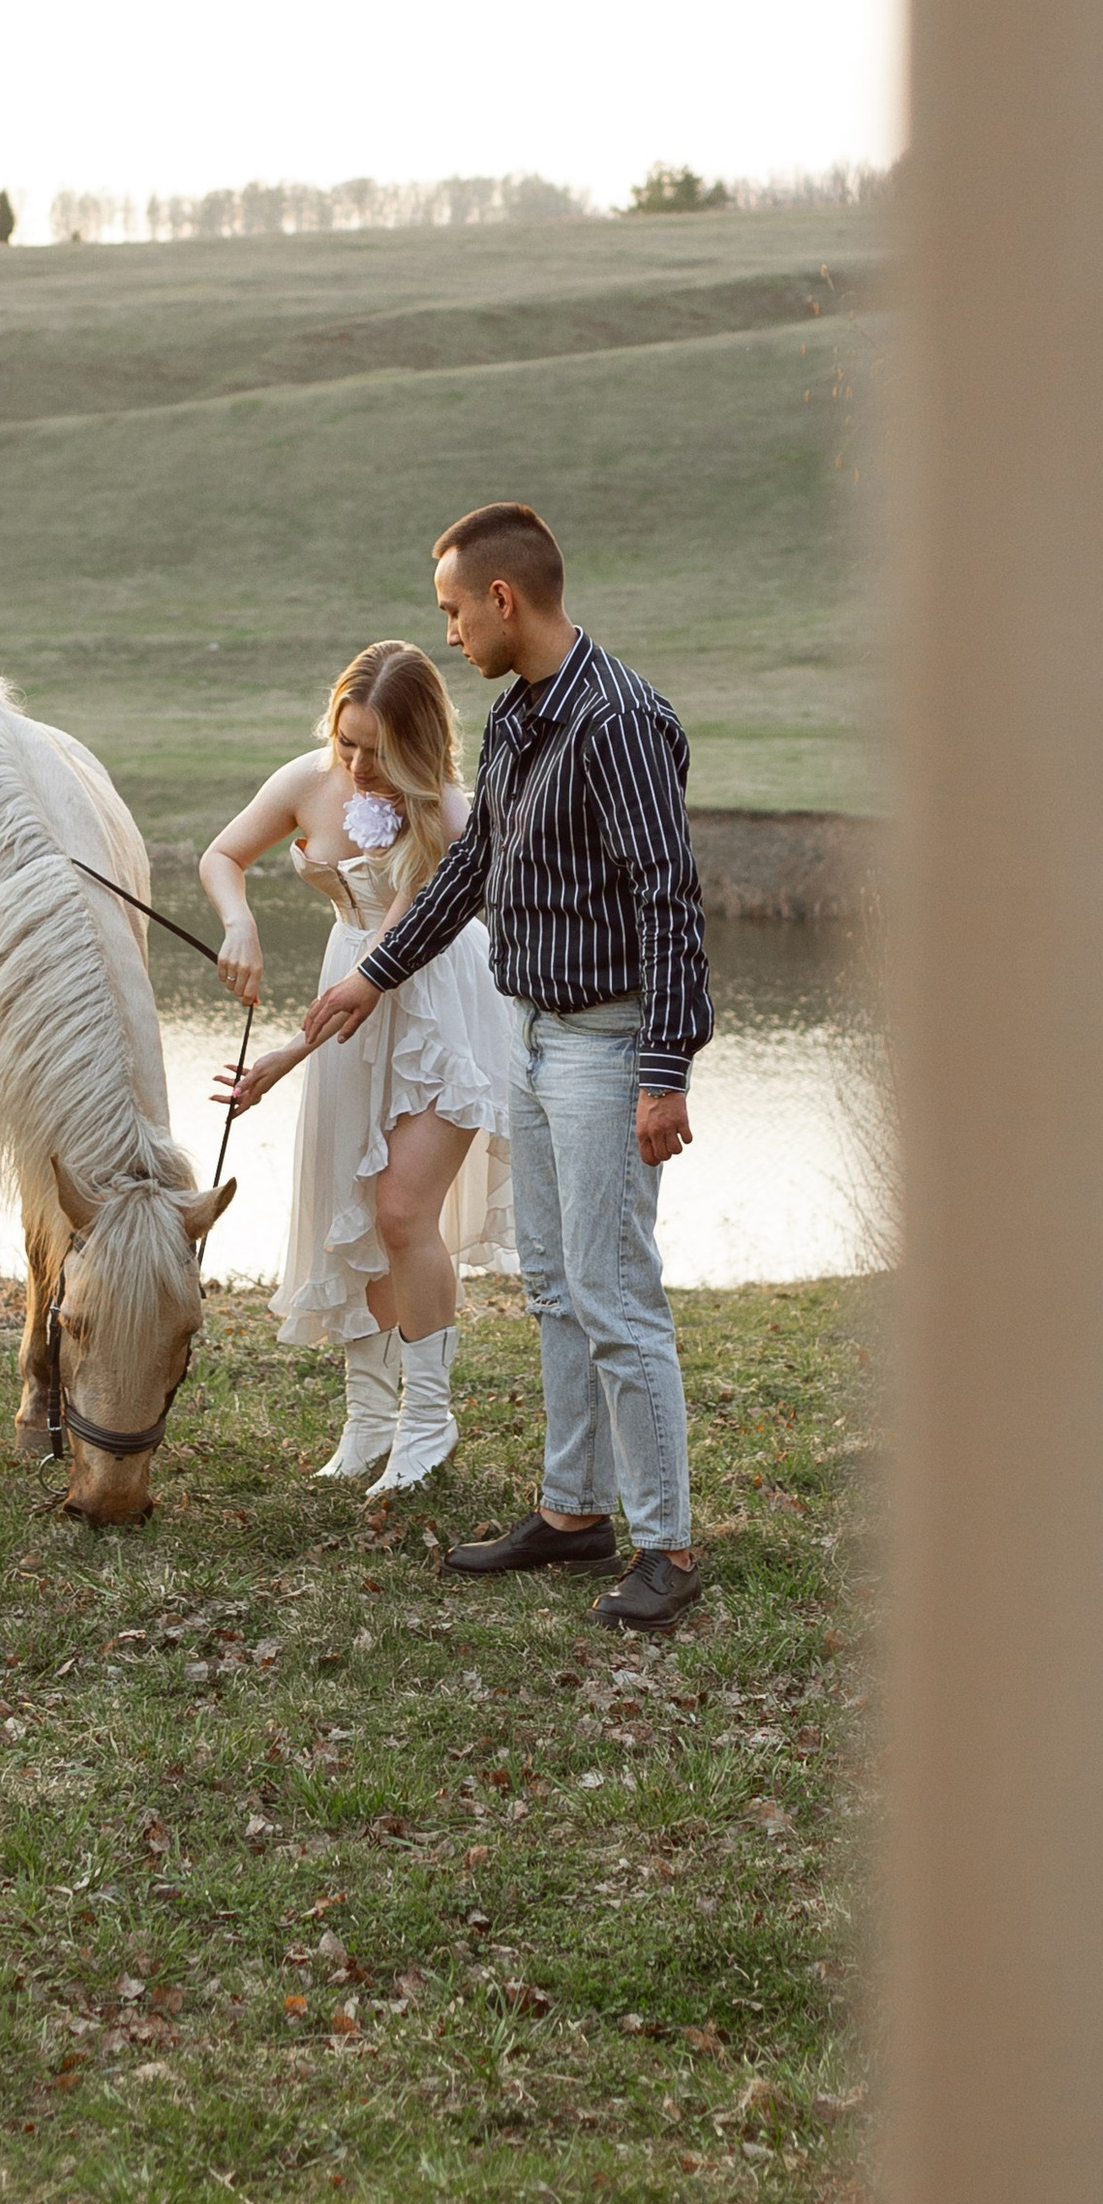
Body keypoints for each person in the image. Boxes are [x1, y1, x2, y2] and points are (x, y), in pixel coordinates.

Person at [303, 500, 712, 1632]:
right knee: (553, 1289)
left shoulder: (620, 721)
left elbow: (666, 899)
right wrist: (372, 975)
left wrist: (664, 1066)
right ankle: (574, 1515)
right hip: (531, 1032)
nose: (447, 637)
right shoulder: (519, 718)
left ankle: (667, 1546)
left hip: (607, 1040)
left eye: (451, 612)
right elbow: (470, 866)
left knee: (616, 1295)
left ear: (503, 599)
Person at [198, 641, 516, 1496]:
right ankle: (369, 1419)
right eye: (347, 742)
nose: (357, 764)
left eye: (377, 749)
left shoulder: (448, 815)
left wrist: (285, 1056)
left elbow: (390, 953)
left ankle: (428, 1419)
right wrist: (240, 924)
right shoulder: (309, 778)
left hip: (432, 997)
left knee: (403, 1209)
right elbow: (221, 856)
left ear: (418, 741)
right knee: (359, 1213)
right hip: (348, 994)